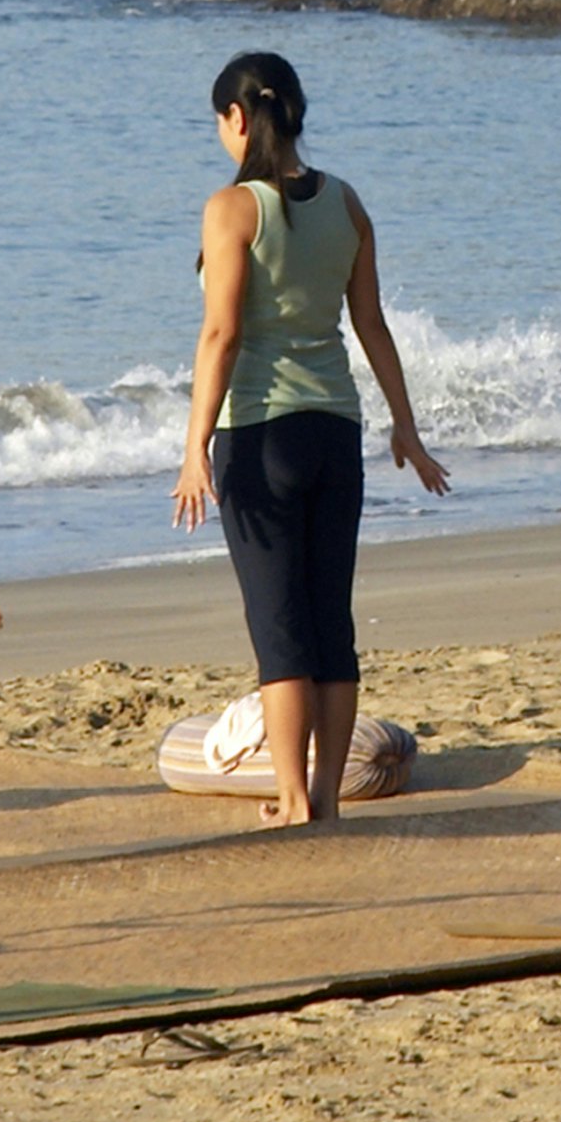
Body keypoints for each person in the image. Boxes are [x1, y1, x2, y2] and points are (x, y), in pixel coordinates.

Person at [166, 50, 450, 827]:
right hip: (334, 431)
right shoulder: (347, 203)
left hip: (258, 435)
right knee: (330, 618)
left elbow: (221, 332)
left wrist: (194, 446)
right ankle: (324, 797)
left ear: (236, 118)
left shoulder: (232, 210)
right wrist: (406, 429)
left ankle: (292, 799)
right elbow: (371, 326)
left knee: (279, 623)